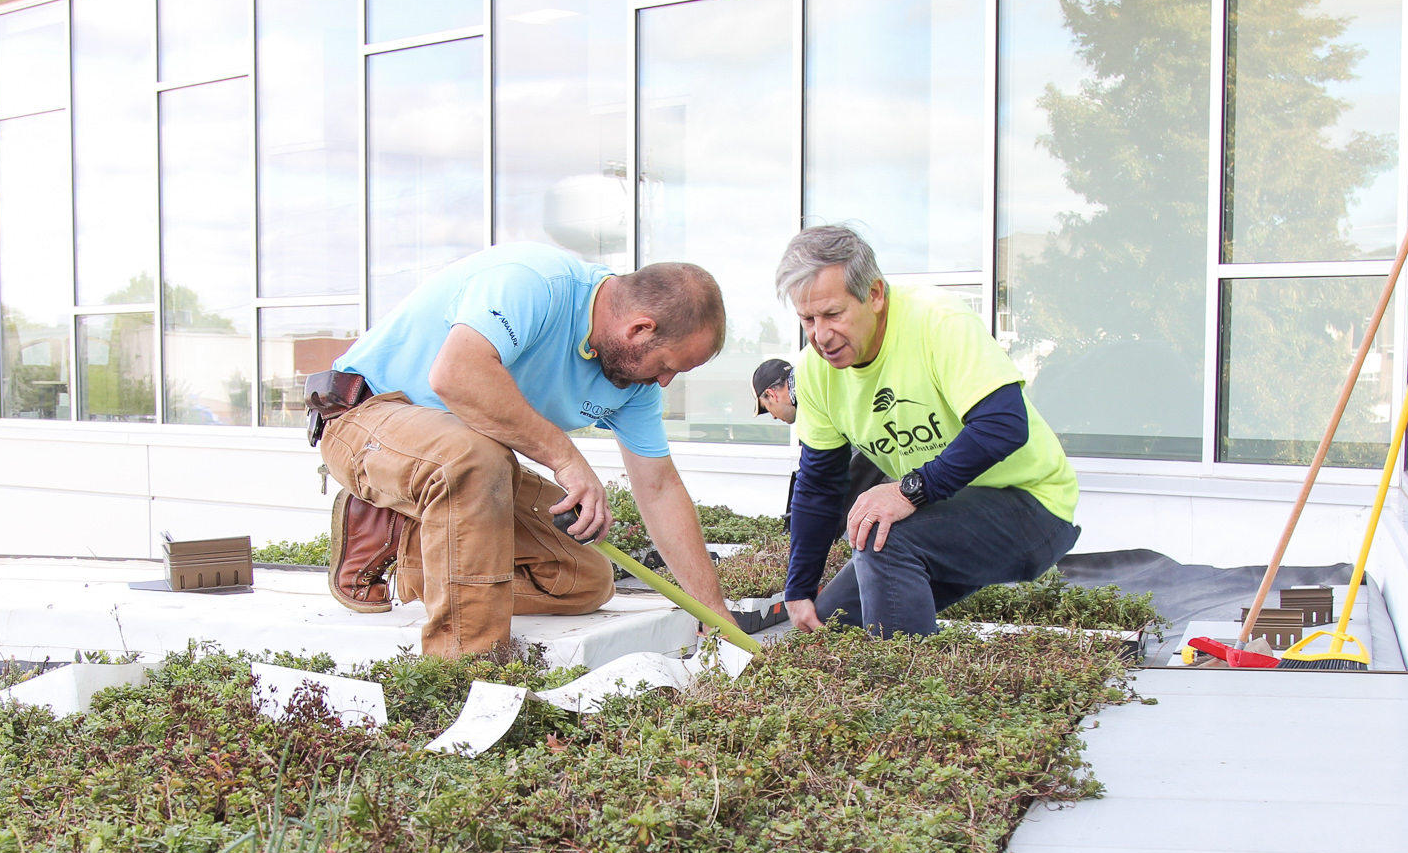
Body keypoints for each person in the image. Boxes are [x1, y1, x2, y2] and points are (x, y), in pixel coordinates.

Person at [315, 242, 740, 657]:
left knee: (584, 577)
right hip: (364, 416)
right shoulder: (534, 281)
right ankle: (464, 669)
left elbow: (660, 488)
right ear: (640, 329)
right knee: (476, 458)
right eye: (667, 366)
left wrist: (713, 610)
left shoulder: (635, 385)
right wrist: (566, 459)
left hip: (462, 459)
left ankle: (401, 543)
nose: (664, 382)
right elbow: (457, 374)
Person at [777, 225, 1081, 636]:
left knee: (887, 536)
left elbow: (1004, 424)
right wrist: (798, 589)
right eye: (807, 319)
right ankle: (908, 684)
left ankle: (904, 694)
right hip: (949, 509)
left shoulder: (938, 322)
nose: (822, 336)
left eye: (833, 314)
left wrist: (907, 491)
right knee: (831, 624)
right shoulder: (814, 373)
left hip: (1033, 506)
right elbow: (819, 485)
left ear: (876, 295)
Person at [751, 355, 887, 530]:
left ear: (771, 394)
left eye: (767, 408)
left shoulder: (815, 403)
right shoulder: (818, 387)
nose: (774, 416)